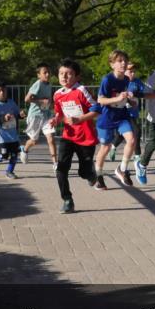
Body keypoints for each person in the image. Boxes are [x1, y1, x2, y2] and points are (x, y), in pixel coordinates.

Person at [52, 58, 99, 214]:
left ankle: (91, 174)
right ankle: (67, 200)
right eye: (61, 73)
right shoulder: (57, 94)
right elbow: (59, 112)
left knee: (83, 173)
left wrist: (79, 119)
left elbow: (97, 110)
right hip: (68, 136)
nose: (64, 77)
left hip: (86, 137)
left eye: (69, 74)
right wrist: (56, 119)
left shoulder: (81, 90)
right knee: (61, 169)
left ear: (77, 76)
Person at [93, 50, 139, 189]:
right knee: (105, 148)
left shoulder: (126, 79)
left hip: (122, 116)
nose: (123, 63)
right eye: (119, 61)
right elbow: (100, 100)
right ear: (112, 64)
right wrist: (118, 98)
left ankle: (122, 169)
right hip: (107, 118)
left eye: (125, 60)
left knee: (131, 139)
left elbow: (124, 99)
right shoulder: (107, 80)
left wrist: (130, 100)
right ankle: (98, 176)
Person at [22, 63, 57, 169]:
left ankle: (55, 163)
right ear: (39, 75)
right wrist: (41, 101)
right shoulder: (38, 84)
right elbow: (27, 99)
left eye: (48, 72)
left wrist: (51, 105)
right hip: (35, 116)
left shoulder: (49, 84)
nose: (47, 74)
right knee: (34, 141)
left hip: (46, 115)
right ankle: (24, 149)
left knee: (51, 138)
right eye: (44, 72)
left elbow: (48, 100)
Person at [0, 83, 23, 179]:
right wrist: (3, 118)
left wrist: (21, 114)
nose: (2, 92)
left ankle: (9, 171)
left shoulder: (11, 102)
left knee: (15, 154)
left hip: (13, 135)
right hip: (2, 137)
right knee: (4, 155)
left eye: (4, 90)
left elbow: (17, 114)